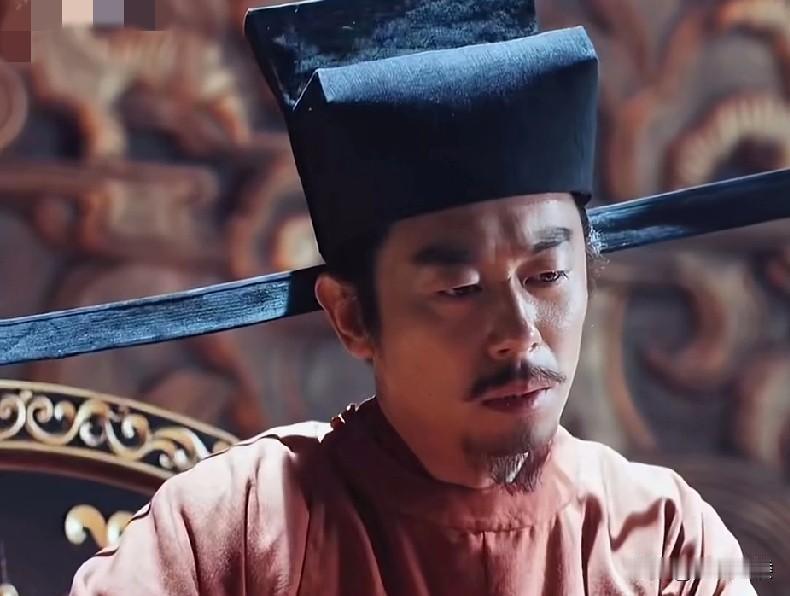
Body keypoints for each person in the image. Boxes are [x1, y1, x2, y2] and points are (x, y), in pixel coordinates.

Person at [70, 0, 758, 594]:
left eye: (547, 276)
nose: (518, 332)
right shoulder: (237, 528)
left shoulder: (662, 540)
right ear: (351, 316)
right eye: (459, 289)